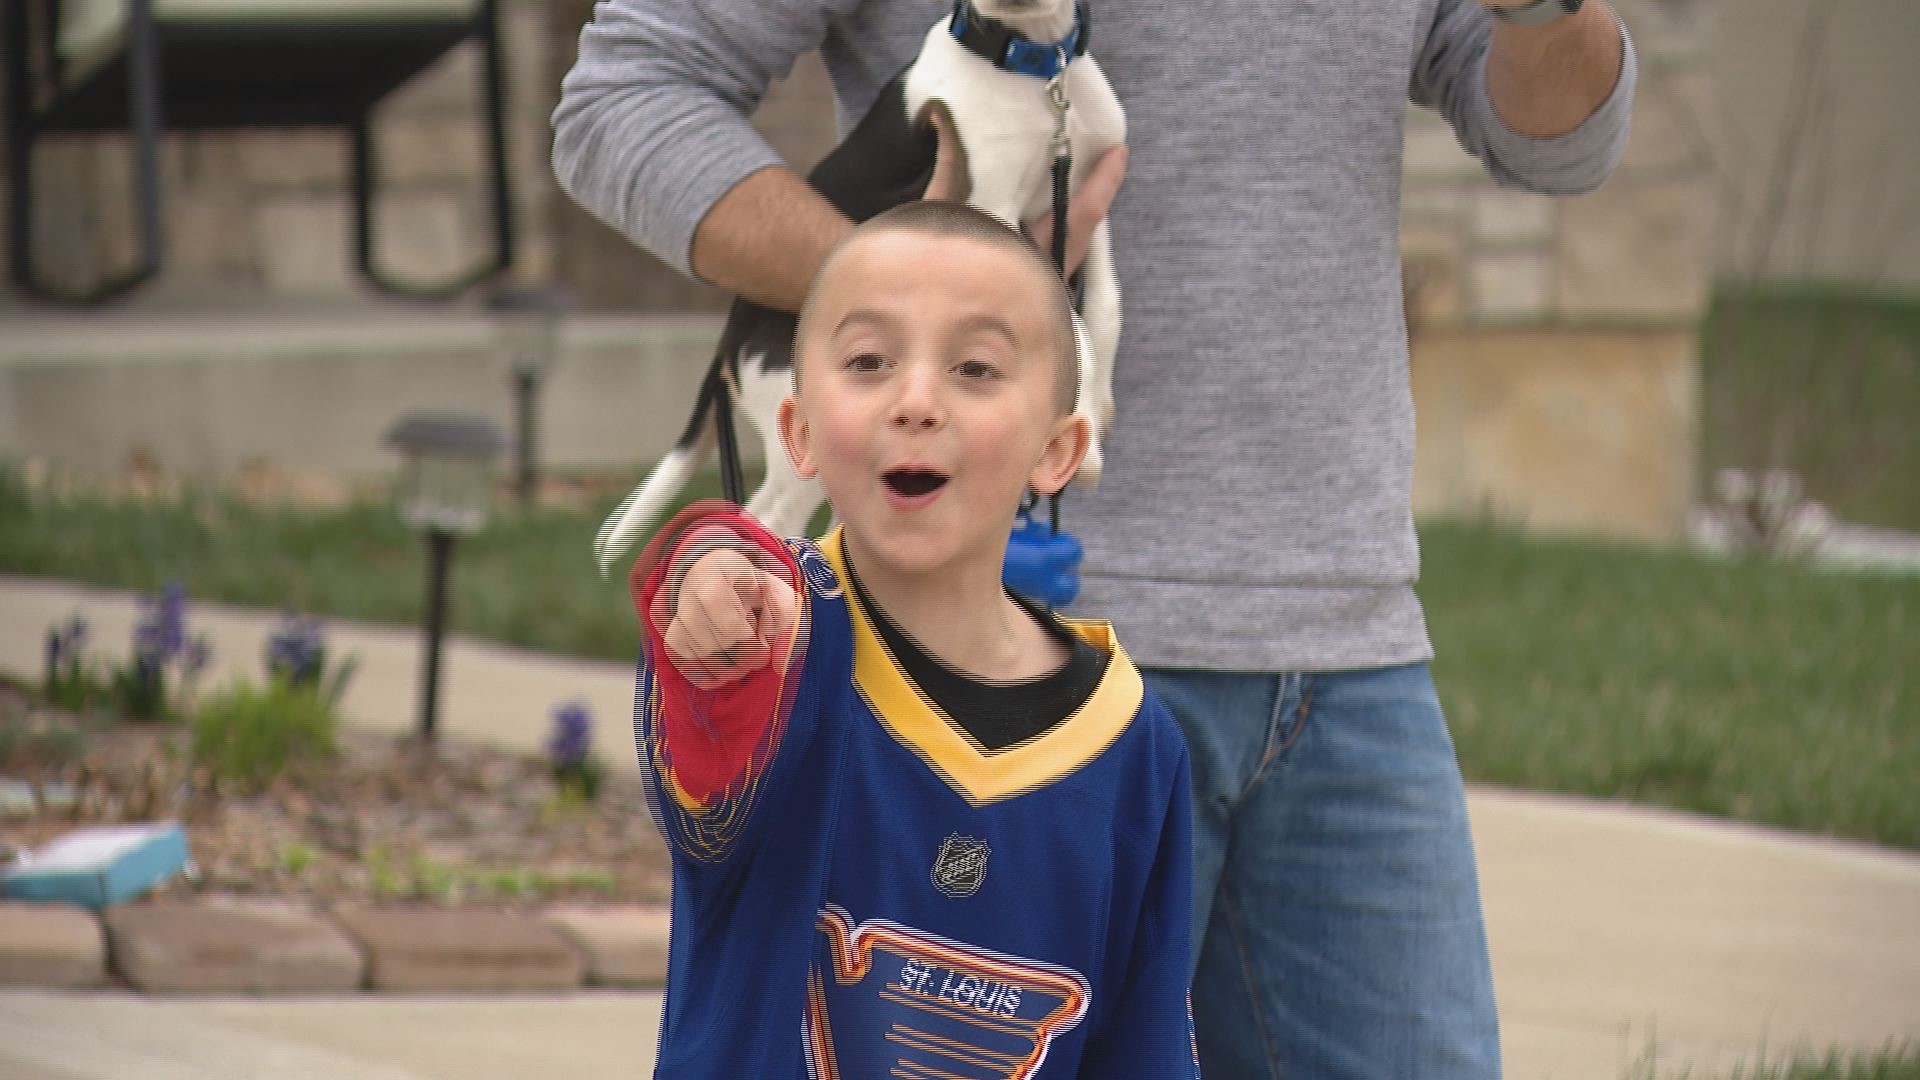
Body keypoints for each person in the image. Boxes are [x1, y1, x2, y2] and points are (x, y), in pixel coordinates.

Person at [555, 2, 1635, 1075]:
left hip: (1350, 653)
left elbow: (1564, 143)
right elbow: (625, 97)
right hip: (979, 661)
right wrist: (929, 299)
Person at [627, 201, 1201, 1078]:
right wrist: (708, 557)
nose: (917, 401)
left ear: (1058, 452)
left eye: (975, 367)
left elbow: (1143, 1049)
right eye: (868, 361)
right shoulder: (772, 653)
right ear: (799, 431)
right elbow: (697, 582)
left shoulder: (1133, 744)